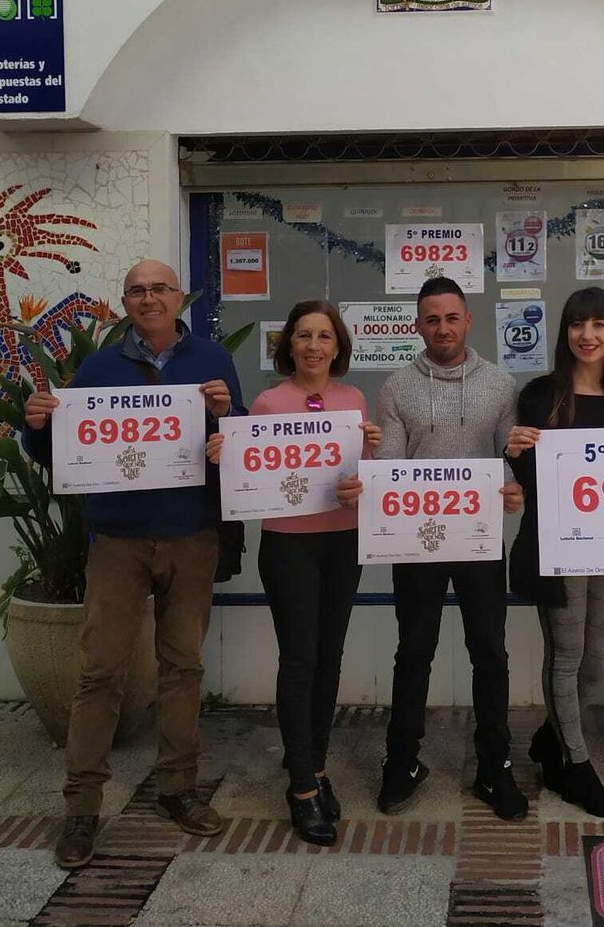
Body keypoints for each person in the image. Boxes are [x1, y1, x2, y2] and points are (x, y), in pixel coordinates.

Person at [24, 260, 243, 870]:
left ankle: (178, 788)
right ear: (125, 302)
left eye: (160, 289)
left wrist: (228, 418)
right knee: (101, 672)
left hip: (190, 536)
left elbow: (240, 446)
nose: (149, 298)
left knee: (183, 666)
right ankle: (82, 807)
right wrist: (37, 429)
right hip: (118, 540)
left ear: (179, 298)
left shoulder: (213, 362)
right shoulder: (96, 368)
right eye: (137, 291)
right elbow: (61, 451)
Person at [336, 276, 528, 821]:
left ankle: (495, 767)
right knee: (413, 651)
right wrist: (369, 473)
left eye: (451, 317)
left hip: (479, 537)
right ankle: (402, 762)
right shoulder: (397, 387)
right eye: (431, 319)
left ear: (468, 321)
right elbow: (391, 469)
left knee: (489, 652)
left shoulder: (500, 384)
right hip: (415, 541)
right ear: (417, 326)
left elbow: (507, 459)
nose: (442, 328)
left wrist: (514, 488)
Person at [204, 300, 381, 846]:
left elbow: (357, 481)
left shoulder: (353, 400)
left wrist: (370, 460)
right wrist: (223, 453)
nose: (313, 345)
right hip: (288, 547)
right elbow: (252, 473)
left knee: (330, 658)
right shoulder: (267, 403)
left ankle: (318, 767)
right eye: (303, 335)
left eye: (324, 336)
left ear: (338, 345)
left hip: (342, 541)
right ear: (289, 346)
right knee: (300, 660)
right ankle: (301, 789)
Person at [505, 288, 604, 820]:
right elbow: (530, 483)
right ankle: (575, 766)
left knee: (599, 660)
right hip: (555, 546)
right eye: (578, 325)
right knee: (565, 657)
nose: (588, 335)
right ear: (564, 334)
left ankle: (549, 739)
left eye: (599, 325)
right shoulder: (541, 395)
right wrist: (513, 456)